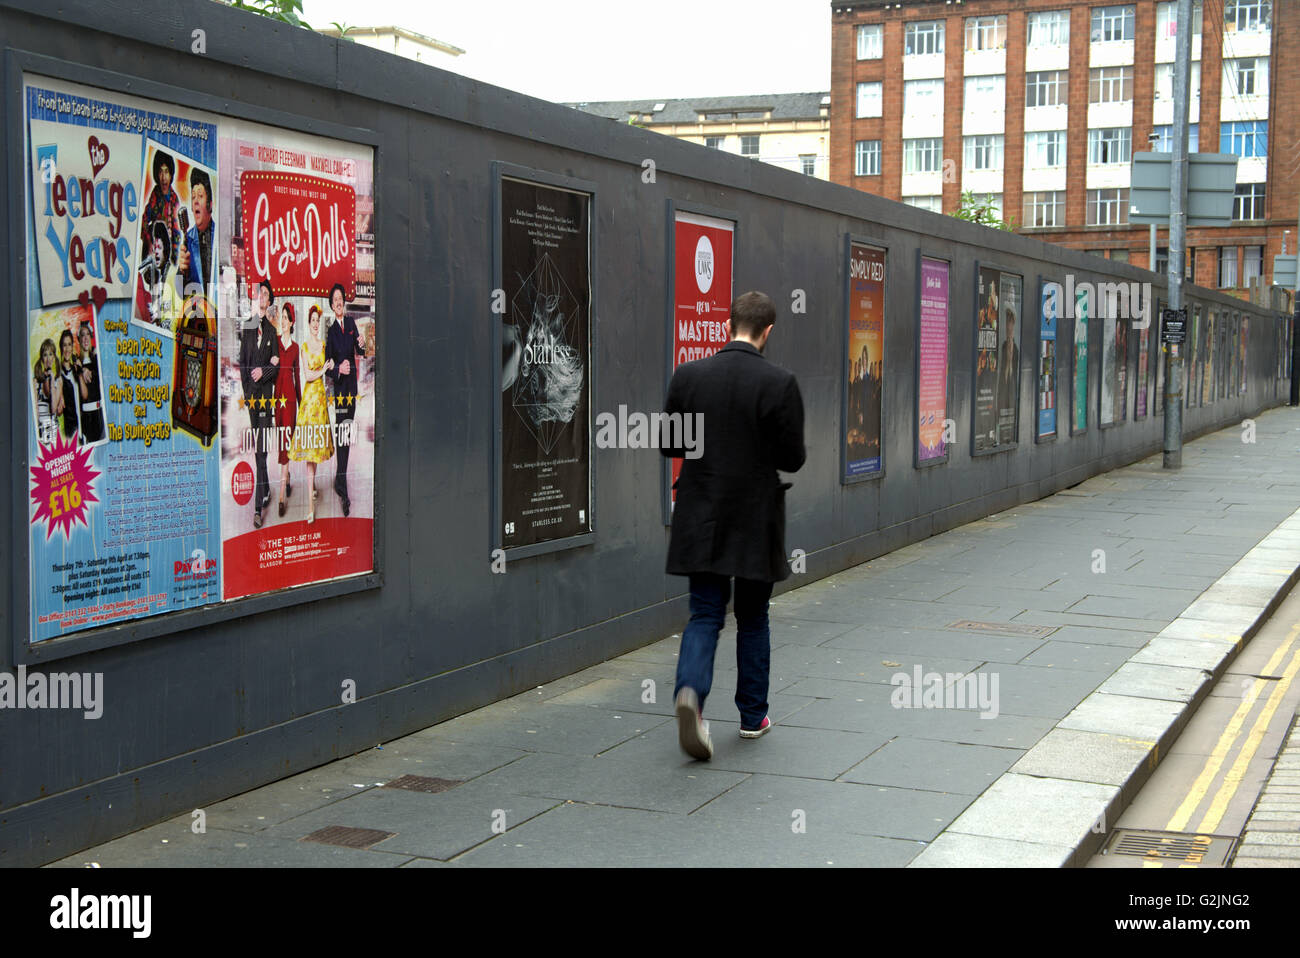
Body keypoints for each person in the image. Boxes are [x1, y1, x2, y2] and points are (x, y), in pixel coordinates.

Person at [661, 291, 806, 760]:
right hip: (755, 518)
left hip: (701, 514)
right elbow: (793, 459)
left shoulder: (689, 376)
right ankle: (751, 716)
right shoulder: (780, 382)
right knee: (753, 615)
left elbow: (669, 445)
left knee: (705, 613)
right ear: (769, 332)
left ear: (728, 325)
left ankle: (690, 695)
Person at [240, 280, 279, 528]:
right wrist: (247, 393)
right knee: (260, 448)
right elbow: (243, 364)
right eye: (260, 293)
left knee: (260, 450)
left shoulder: (273, 332)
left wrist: (262, 372)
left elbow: (276, 370)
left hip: (266, 397)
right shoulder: (247, 326)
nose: (262, 296)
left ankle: (257, 508)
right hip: (252, 399)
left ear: (270, 300)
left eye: (266, 294)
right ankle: (265, 491)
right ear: (256, 298)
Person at [293, 304, 336, 524]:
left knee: (317, 450)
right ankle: (310, 506)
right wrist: (324, 369)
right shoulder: (304, 347)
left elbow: (330, 365)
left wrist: (331, 364)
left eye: (318, 321)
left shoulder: (324, 344)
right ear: (308, 324)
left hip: (321, 401)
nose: (316, 324)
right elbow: (309, 375)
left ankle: (313, 488)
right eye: (312, 321)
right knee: (309, 453)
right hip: (309, 402)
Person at [324, 283, 364, 517]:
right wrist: (340, 368)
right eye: (335, 299)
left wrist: (362, 346)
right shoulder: (330, 331)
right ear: (331, 306)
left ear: (344, 302)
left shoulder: (351, 324)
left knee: (346, 436)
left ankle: (340, 478)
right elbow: (328, 367)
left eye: (340, 298)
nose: (338, 302)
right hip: (339, 391)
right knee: (341, 435)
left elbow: (362, 351)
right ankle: (342, 484)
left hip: (352, 391)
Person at [271, 302, 300, 518]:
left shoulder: (296, 348)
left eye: (284, 317)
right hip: (276, 398)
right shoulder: (274, 343)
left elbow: (297, 377)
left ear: (291, 322)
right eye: (280, 317)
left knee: (287, 441)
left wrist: (301, 402)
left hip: (290, 400)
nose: (282, 321)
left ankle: (281, 495)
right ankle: (287, 476)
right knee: (281, 439)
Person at [176, 168, 214, 298]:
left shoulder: (219, 236)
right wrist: (182, 271)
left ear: (210, 204)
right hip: (197, 314)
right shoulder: (188, 241)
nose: (196, 200)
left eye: (201, 196)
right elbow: (180, 293)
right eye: (193, 197)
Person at [140, 149, 180, 265]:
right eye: (161, 172)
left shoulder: (174, 200)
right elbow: (144, 220)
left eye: (166, 172)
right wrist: (149, 241)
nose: (163, 177)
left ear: (171, 174)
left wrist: (173, 259)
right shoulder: (154, 195)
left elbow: (176, 233)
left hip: (166, 251)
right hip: (153, 251)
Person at [75, 322, 104, 443]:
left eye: (88, 334)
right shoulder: (77, 363)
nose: (85, 338)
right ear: (79, 339)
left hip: (100, 413)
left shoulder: (96, 358)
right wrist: (81, 369)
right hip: (86, 417)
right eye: (82, 335)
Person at [56, 329, 80, 441]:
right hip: (71, 430)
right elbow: (59, 411)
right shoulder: (58, 375)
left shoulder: (76, 369)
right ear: (61, 348)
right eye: (64, 345)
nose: (67, 349)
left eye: (69, 344)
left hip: (85, 425)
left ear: (72, 347)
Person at [33, 338, 58, 445]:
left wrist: (52, 381)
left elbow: (53, 409)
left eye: (50, 354)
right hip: (40, 430)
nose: (48, 359)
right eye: (45, 355)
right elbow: (35, 412)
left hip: (53, 430)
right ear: (41, 358)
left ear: (54, 357)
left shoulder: (57, 381)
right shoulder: (36, 382)